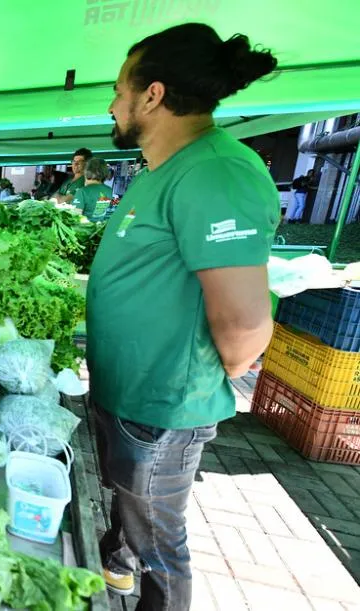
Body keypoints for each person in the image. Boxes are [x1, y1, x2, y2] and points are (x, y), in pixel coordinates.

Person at [87, 24, 278, 610]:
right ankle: (117, 567)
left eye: (121, 89)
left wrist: (183, 377)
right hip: (132, 397)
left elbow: (244, 330)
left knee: (160, 547)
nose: (113, 103)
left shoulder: (214, 172)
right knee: (134, 523)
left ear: (153, 95)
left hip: (163, 408)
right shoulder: (166, 167)